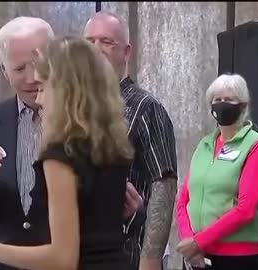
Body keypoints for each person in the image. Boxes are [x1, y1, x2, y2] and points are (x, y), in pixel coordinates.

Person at [0, 16, 143, 270]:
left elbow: (68, 252)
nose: (32, 80)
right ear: (4, 71)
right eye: (19, 69)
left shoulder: (67, 150)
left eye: (39, 69)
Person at [83, 11, 178, 270]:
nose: (96, 49)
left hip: (127, 254)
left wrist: (150, 260)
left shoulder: (146, 107)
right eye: (89, 42)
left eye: (106, 42)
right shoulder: (74, 108)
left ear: (126, 52)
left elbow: (164, 186)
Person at [175, 74, 258, 270]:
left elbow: (245, 209)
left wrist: (199, 242)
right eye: (217, 100)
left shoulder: (255, 145)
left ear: (243, 105)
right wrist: (189, 242)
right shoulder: (204, 145)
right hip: (197, 255)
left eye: (229, 100)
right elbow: (184, 199)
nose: (222, 104)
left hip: (235, 255)